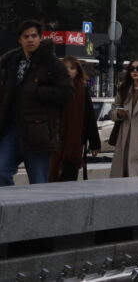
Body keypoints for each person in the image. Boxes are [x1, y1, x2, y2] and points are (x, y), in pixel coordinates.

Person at [0, 20, 74, 186]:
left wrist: (38, 91)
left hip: (38, 131)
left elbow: (68, 92)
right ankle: (13, 208)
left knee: (38, 183)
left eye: (34, 36)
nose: (30, 39)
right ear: (20, 40)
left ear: (40, 38)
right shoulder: (11, 62)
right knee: (1, 172)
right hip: (11, 128)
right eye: (26, 36)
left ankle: (37, 211)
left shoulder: (51, 63)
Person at [49, 56, 101, 181]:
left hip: (74, 144)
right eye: (65, 67)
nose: (68, 70)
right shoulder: (52, 89)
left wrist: (95, 144)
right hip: (54, 142)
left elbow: (89, 118)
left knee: (69, 179)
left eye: (72, 68)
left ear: (77, 71)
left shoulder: (82, 91)